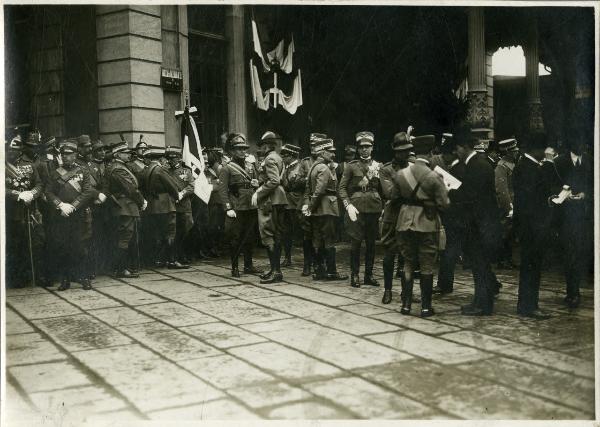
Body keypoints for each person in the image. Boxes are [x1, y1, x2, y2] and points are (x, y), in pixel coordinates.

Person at [392, 135, 449, 316]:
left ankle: (406, 305)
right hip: (426, 223)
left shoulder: (401, 174)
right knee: (426, 265)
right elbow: (444, 204)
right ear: (432, 153)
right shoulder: (434, 176)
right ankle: (425, 307)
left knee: (408, 262)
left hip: (404, 222)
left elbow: (394, 197)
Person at [454, 128, 503, 316]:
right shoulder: (477, 164)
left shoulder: (477, 166)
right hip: (480, 224)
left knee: (480, 265)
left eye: (457, 148)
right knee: (479, 265)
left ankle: (483, 305)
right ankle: (480, 301)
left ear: (465, 147)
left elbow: (472, 198)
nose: (456, 152)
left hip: (479, 226)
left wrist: (452, 192)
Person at [45, 140, 94, 291]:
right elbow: (48, 192)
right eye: (63, 155)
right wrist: (60, 204)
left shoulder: (83, 171)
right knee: (63, 247)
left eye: (69, 154)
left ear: (75, 155)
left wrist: (73, 206)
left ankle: (84, 277)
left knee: (80, 247)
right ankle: (65, 279)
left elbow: (87, 191)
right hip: (61, 215)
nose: (65, 157)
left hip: (78, 215)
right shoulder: (54, 173)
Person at [513, 132, 552, 319]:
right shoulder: (529, 169)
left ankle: (527, 304)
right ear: (535, 149)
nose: (545, 153)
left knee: (530, 266)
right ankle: (529, 306)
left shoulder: (528, 166)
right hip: (532, 227)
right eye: (542, 149)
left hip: (529, 226)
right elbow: (529, 204)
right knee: (531, 266)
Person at [552, 133, 593, 308]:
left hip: (584, 216)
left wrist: (586, 194)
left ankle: (577, 289)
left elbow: (593, 183)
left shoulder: (590, 160)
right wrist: (565, 197)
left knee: (582, 252)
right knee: (570, 253)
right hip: (565, 216)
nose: (581, 145)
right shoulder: (559, 162)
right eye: (578, 141)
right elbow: (553, 184)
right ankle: (572, 291)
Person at [339, 131, 383, 288]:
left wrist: (384, 208)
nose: (365, 150)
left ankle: (369, 275)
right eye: (362, 147)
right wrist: (347, 204)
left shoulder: (378, 166)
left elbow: (384, 189)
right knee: (356, 243)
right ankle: (355, 275)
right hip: (356, 208)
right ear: (357, 149)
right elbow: (342, 188)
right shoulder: (351, 166)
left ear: (372, 148)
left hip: (374, 208)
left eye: (368, 147)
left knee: (371, 244)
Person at [302, 138, 348, 281]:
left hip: (318, 209)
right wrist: (311, 206)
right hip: (326, 207)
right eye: (330, 152)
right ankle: (331, 272)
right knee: (329, 239)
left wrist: (310, 207)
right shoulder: (323, 168)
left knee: (318, 239)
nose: (333, 155)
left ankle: (319, 270)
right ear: (322, 152)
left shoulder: (314, 167)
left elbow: (310, 190)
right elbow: (320, 190)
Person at [217, 133, 262, 277]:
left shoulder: (250, 166)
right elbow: (222, 190)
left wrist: (257, 184)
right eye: (239, 149)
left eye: (244, 148)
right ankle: (235, 267)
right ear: (232, 151)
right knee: (235, 238)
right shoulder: (227, 168)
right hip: (237, 207)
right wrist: (228, 207)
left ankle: (248, 265)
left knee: (250, 237)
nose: (243, 151)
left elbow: (256, 181)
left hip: (250, 206)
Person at [5, 135, 45, 288]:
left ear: (20, 150)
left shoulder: (29, 165)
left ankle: (35, 275)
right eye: (9, 150)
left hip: (31, 210)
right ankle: (16, 278)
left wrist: (32, 194)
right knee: (15, 245)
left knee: (36, 242)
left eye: (15, 150)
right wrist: (17, 195)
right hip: (12, 211)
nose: (12, 153)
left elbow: (39, 183)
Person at [105, 141, 147, 278]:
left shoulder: (120, 166)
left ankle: (124, 267)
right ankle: (120, 269)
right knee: (125, 237)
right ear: (118, 154)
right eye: (125, 153)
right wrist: (142, 201)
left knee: (126, 237)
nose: (128, 155)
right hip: (125, 206)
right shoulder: (118, 169)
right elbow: (130, 188)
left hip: (126, 206)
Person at [379, 132, 412, 304]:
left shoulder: (414, 166)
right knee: (389, 255)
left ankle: (406, 292)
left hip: (409, 215)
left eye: (407, 150)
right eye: (400, 151)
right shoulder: (386, 169)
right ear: (394, 151)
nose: (404, 154)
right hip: (392, 216)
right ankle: (388, 290)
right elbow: (390, 194)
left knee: (408, 256)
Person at [143, 147, 188, 269]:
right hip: (166, 205)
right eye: (165, 159)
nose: (166, 161)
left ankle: (159, 260)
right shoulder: (160, 170)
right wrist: (177, 195)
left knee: (158, 233)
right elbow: (172, 186)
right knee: (170, 233)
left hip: (153, 204)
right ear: (160, 158)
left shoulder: (147, 170)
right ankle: (172, 261)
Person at [253, 131, 288, 284]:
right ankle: (275, 269)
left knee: (268, 234)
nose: (260, 149)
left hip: (270, 200)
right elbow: (282, 181)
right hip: (278, 199)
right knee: (276, 234)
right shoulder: (278, 158)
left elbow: (274, 181)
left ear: (267, 146)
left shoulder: (269, 159)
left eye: (261, 146)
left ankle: (276, 271)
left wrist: (259, 191)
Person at [434, 135, 467, 295]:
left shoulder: (456, 170)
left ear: (451, 154)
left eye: (444, 154)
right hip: (459, 217)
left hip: (455, 218)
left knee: (450, 250)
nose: (442, 157)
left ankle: (444, 284)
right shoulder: (460, 168)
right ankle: (492, 282)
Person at [297, 133, 326, 276]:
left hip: (322, 202)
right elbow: (298, 180)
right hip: (307, 200)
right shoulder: (305, 162)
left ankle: (319, 263)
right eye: (312, 145)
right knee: (307, 234)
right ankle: (307, 263)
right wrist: (310, 177)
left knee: (320, 234)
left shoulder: (326, 162)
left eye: (317, 145)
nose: (314, 148)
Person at [166, 146, 195, 266]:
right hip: (171, 205)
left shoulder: (186, 171)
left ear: (179, 159)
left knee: (185, 230)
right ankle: (174, 257)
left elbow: (191, 186)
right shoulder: (165, 171)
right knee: (173, 232)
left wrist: (181, 194)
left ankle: (182, 255)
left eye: (173, 158)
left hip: (184, 206)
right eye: (169, 159)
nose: (171, 161)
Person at [495, 138, 520, 269]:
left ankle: (509, 259)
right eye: (514, 151)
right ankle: (502, 260)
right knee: (504, 233)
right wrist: (509, 207)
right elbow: (502, 189)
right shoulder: (501, 166)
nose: (517, 152)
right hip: (507, 205)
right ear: (508, 152)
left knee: (512, 233)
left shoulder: (513, 164)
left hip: (515, 202)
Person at [280, 143, 304, 267]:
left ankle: (308, 261)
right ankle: (287, 258)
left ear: (292, 156)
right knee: (286, 232)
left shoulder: (301, 166)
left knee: (302, 231)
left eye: (285, 155)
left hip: (297, 203)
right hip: (286, 203)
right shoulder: (285, 168)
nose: (283, 158)